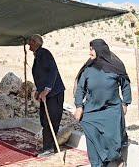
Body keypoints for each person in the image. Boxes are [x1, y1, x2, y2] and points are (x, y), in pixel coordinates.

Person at [74, 39, 132, 167]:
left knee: (112, 144)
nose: (89, 52)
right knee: (93, 145)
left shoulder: (115, 68)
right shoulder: (88, 69)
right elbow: (80, 89)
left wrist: (125, 103)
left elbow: (125, 85)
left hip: (111, 112)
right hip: (91, 113)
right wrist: (79, 106)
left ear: (99, 50)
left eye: (91, 49)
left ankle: (114, 161)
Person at [28, 34, 65, 156]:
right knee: (44, 119)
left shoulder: (44, 53)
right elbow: (41, 76)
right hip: (46, 94)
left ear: (35, 42)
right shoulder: (38, 55)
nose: (28, 44)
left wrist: (46, 90)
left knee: (52, 120)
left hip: (54, 93)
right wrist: (39, 91)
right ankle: (48, 147)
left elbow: (53, 71)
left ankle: (49, 148)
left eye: (30, 42)